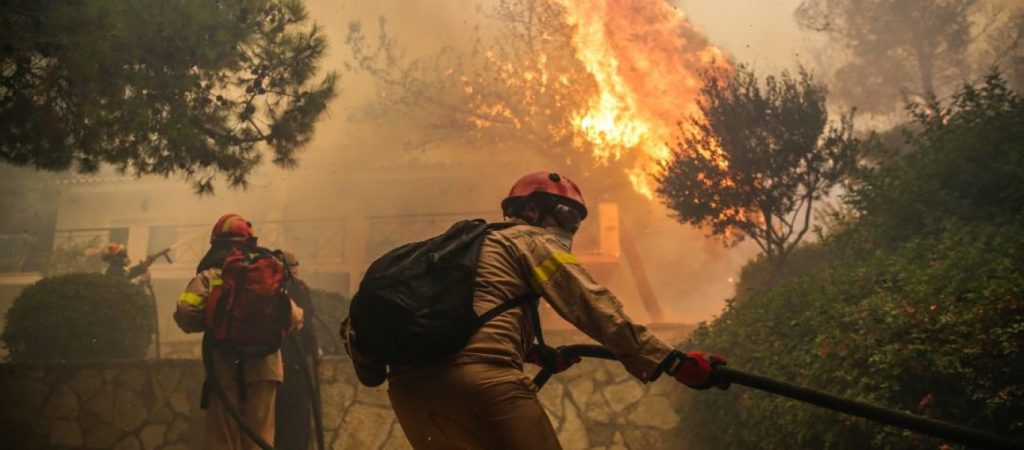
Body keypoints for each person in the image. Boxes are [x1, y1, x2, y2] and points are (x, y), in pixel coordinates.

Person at [342, 172, 729, 449]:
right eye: (565, 215)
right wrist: (673, 363)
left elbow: (462, 318)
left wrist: (533, 353)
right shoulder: (529, 240)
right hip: (481, 386)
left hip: (410, 394)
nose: (570, 227)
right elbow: (592, 305)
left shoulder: (459, 250)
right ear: (531, 210)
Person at [173, 213, 304, 450]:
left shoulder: (211, 274)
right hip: (265, 366)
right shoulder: (266, 272)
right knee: (260, 436)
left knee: (222, 437)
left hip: (223, 364)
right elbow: (295, 319)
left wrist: (216, 321)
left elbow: (185, 314)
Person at [274, 251, 320, 450]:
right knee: (296, 421)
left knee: (273, 421)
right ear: (293, 268)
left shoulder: (267, 289)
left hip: (270, 362)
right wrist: (314, 349)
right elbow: (306, 323)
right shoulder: (299, 288)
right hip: (295, 363)